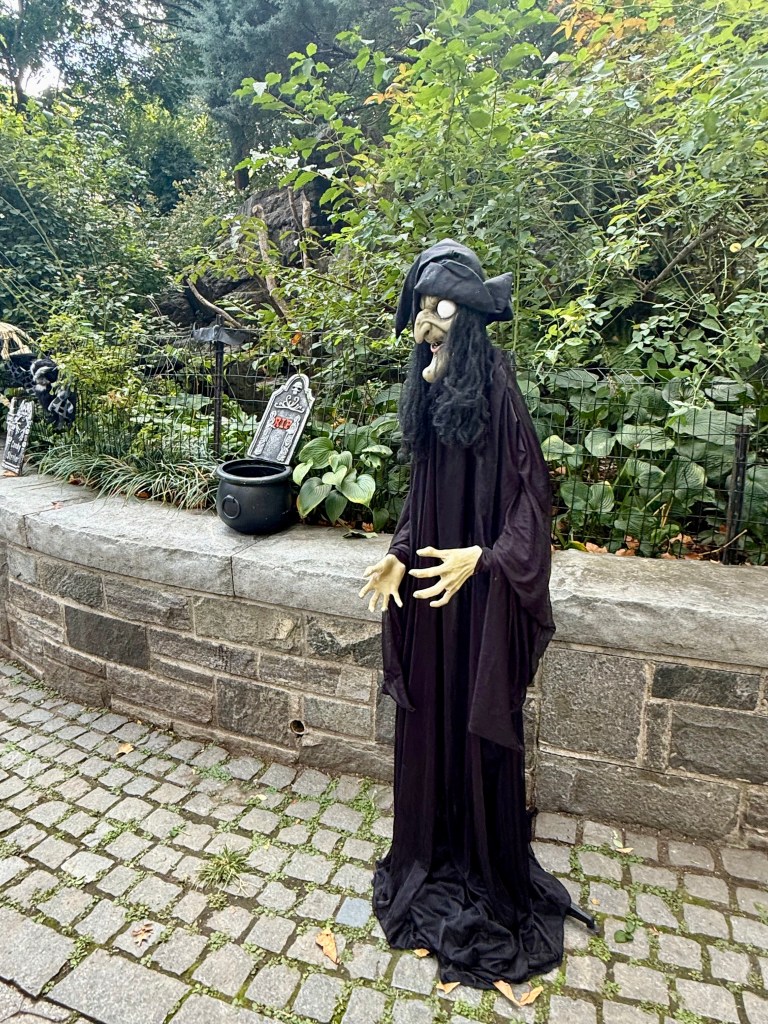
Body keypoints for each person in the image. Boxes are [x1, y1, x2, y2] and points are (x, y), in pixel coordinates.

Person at [359, 239, 594, 988]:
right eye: (421, 309)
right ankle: (437, 847)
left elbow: (530, 504)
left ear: (470, 321)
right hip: (435, 597)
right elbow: (424, 495)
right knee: (434, 710)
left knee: (474, 716)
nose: (426, 325)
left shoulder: (495, 388)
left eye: (442, 310)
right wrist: (401, 552)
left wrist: (486, 560)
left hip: (479, 599)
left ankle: (482, 860)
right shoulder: (437, 393)